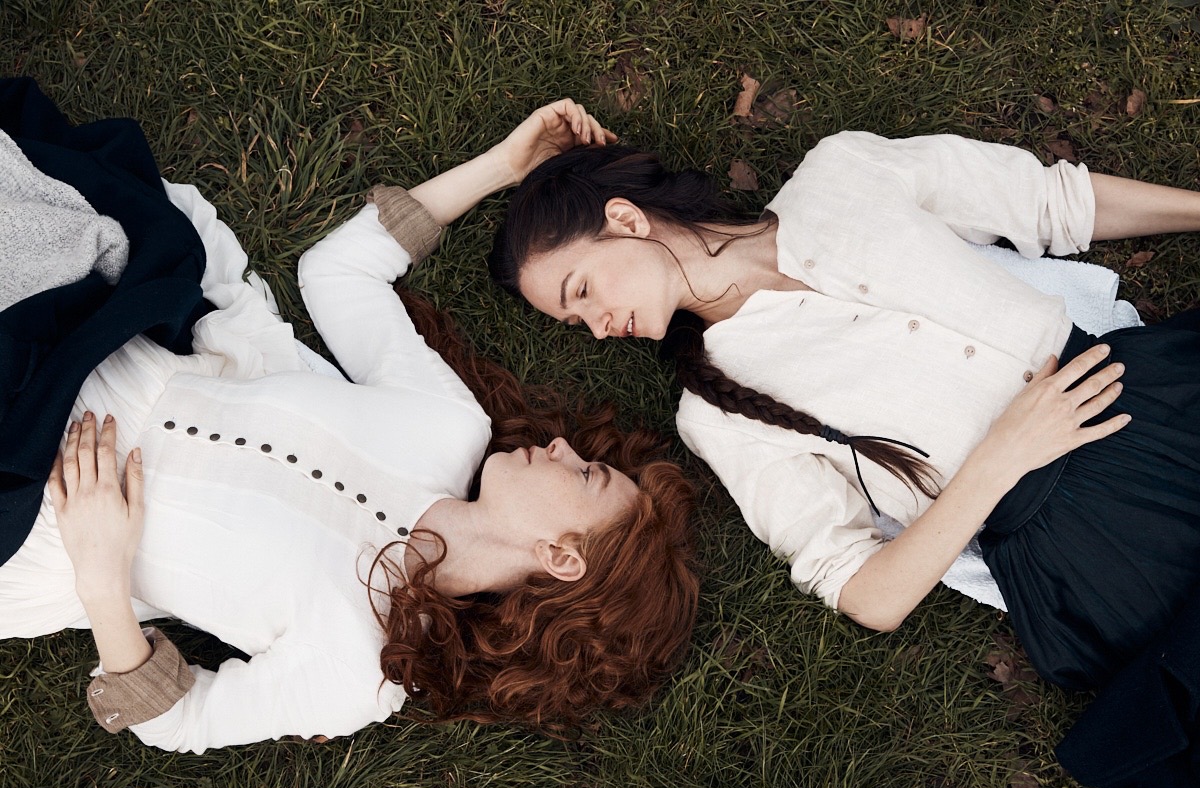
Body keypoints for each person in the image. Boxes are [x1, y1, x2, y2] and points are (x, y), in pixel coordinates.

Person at [0, 100, 699, 753]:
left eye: (587, 475)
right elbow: (340, 275)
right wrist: (505, 165)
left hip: (35, 523)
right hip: (88, 347)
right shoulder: (449, 426)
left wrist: (101, 575)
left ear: (562, 557)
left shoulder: (361, 671)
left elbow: (179, 720)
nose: (563, 446)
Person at [488, 130, 1200, 694]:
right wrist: (1000, 458)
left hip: (1144, 396)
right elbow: (867, 595)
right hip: (1090, 542)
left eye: (582, 291)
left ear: (624, 219)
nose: (597, 328)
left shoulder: (844, 173)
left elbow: (1051, 204)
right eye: (575, 323)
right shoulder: (714, 415)